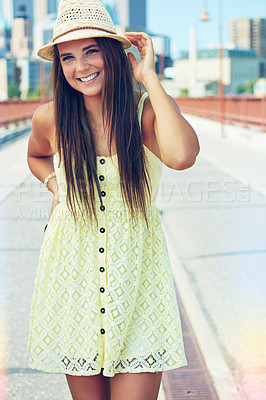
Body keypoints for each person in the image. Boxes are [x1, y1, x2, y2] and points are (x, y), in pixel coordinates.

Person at [27, 0, 200, 399]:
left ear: (114, 54)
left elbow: (182, 156)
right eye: (68, 57)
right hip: (72, 281)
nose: (81, 66)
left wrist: (149, 78)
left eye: (91, 51)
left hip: (137, 283)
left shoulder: (143, 114)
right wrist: (56, 184)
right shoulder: (50, 118)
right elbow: (36, 156)